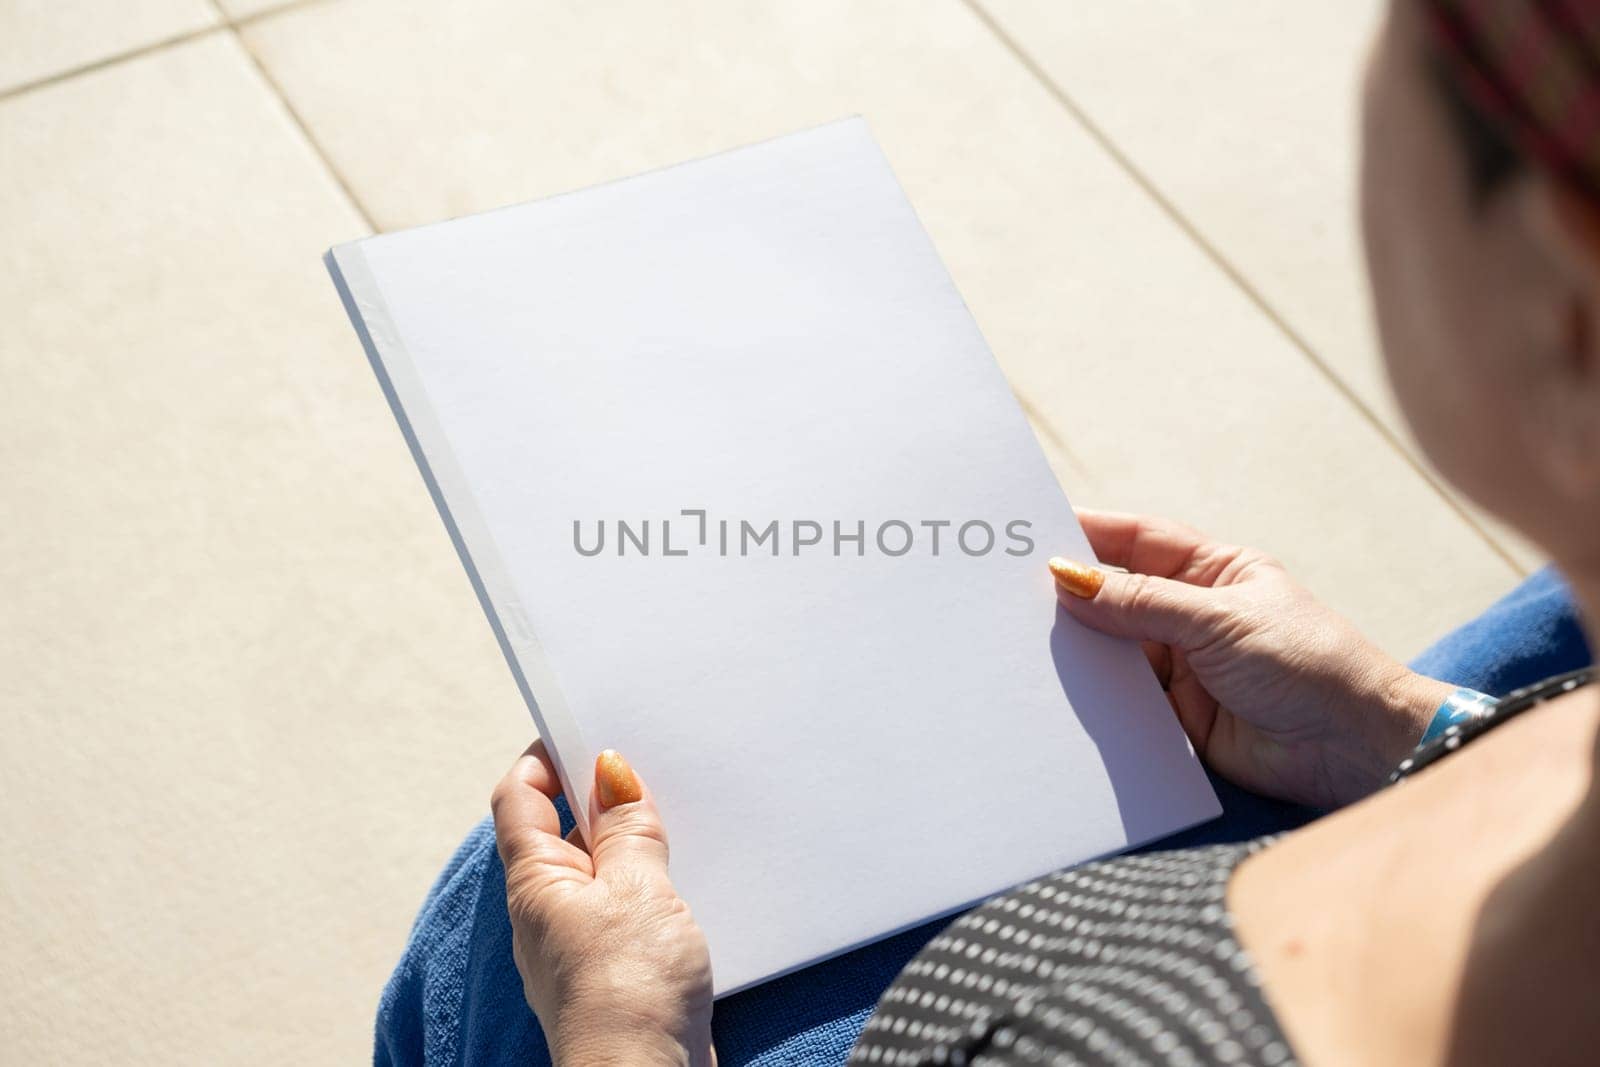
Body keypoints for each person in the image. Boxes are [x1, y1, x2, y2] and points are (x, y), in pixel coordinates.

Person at [377, 0, 1600, 1063]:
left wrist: (621, 1039)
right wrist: (1403, 726)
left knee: (523, 905)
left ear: (1570, 300)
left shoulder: (1107, 1030)